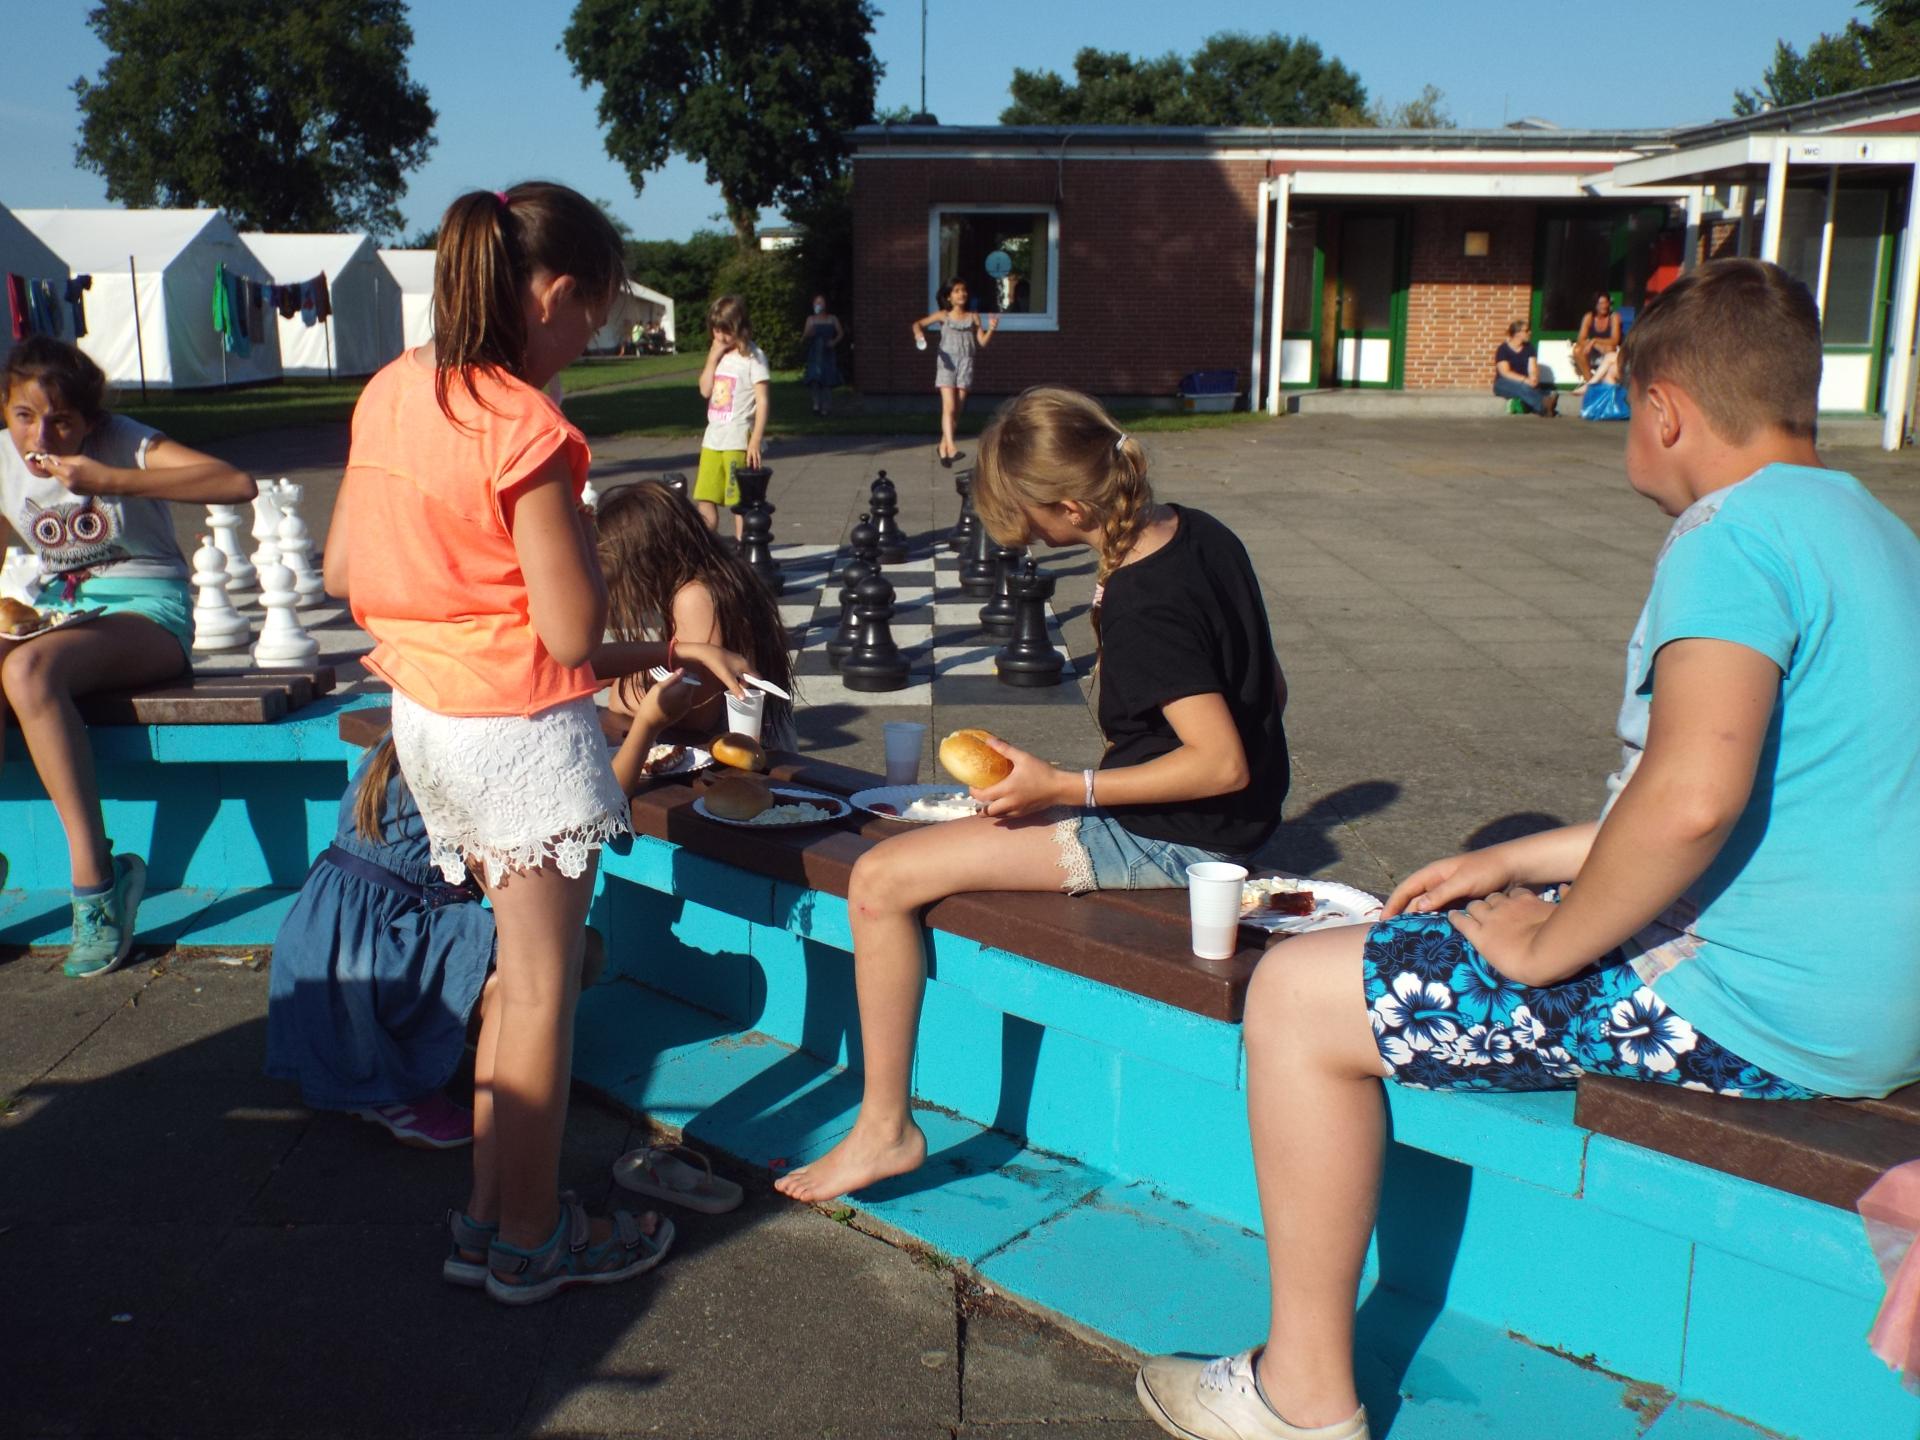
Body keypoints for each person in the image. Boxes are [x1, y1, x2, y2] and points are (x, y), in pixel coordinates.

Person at [1134, 258, 1920, 1440]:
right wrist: (1522, 860)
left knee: (1295, 994)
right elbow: (1761, 798)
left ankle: (1300, 1396)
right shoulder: (1877, 531)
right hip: (1879, 999)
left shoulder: (1730, 535)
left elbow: (1693, 800)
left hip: (1762, 1008)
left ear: (1664, 410)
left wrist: (1550, 940)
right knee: (1415, 940)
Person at [323, 181, 754, 1305]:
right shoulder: (526, 427)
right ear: (557, 293)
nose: (588, 343)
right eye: (593, 319)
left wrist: (654, 647)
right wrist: (622, 605)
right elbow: (566, 633)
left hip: (428, 723)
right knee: (542, 997)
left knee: (512, 985)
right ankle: (532, 1236)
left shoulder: (394, 388)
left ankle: (488, 1219)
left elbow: (341, 571)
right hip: (518, 740)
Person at [775, 386, 1290, 1204]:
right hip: (1215, 818)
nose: (1022, 532)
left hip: (1181, 837)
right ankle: (884, 1124)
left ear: (1069, 507)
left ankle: (886, 1129)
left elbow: (1221, 762)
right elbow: (1263, 696)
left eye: (1027, 514)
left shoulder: (1145, 602)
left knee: (878, 880)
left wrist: (1069, 786)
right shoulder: (1196, 530)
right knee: (949, 832)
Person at [266, 678, 695, 1155]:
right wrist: (648, 726)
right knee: (568, 956)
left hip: (328, 930)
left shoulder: (427, 719)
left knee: (535, 949)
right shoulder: (489, 753)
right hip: (381, 945)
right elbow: (594, 811)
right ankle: (399, 1087)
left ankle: (413, 1050)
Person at [1, 336, 257, 978]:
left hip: (147, 614)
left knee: (28, 670)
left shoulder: (121, 441)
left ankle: (97, 885)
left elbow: (236, 482)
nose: (41, 436)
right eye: (24, 416)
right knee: (20, 661)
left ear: (90, 420)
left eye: (62, 420)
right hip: (60, 618)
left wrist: (111, 480)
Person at [596, 479, 798, 749]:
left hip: (743, 756)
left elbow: (698, 712)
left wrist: (623, 692)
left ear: (644, 559)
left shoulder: (695, 597)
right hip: (751, 743)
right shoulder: (720, 573)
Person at [696, 295, 771, 544]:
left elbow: (762, 401)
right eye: (716, 330)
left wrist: (755, 439)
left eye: (725, 330)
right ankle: (707, 546)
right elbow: (705, 390)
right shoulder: (719, 356)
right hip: (713, 439)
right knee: (705, 497)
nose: (720, 336)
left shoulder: (754, 357)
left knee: (739, 501)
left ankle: (744, 547)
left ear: (739, 327)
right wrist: (712, 358)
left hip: (737, 439)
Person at [913, 279, 1000, 468]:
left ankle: (943, 446)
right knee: (949, 407)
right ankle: (951, 448)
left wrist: (992, 328)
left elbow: (982, 342)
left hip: (966, 363)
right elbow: (917, 324)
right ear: (949, 297)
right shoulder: (943, 315)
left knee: (958, 410)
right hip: (947, 363)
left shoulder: (973, 317)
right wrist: (918, 334)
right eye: (957, 291)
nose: (962, 294)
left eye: (964, 290)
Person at [1493, 320, 1557, 416]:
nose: (1529, 333)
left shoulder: (1529, 348)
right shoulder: (1503, 349)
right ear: (1517, 333)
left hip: (1524, 382)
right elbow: (1505, 372)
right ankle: (1543, 407)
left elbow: (1532, 368)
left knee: (1528, 388)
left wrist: (1534, 378)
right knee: (1523, 388)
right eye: (1526, 331)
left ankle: (1544, 403)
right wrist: (1525, 380)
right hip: (1503, 383)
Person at [802, 294, 845, 417]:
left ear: (825, 304)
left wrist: (834, 342)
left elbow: (840, 333)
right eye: (817, 302)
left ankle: (826, 407)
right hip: (815, 353)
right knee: (814, 379)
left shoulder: (832, 319)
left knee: (827, 380)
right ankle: (816, 404)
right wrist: (809, 333)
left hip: (828, 353)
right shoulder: (811, 319)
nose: (819, 305)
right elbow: (804, 337)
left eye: (821, 302)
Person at [1573, 290, 1623, 389]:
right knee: (1577, 350)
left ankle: (1604, 382)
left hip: (1608, 349)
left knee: (1609, 349)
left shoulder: (1614, 317)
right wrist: (1594, 344)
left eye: (1606, 303)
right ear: (1595, 305)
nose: (1604, 306)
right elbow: (1581, 338)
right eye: (1600, 303)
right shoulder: (1589, 317)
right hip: (1593, 349)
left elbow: (1615, 340)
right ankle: (1590, 382)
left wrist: (1594, 341)